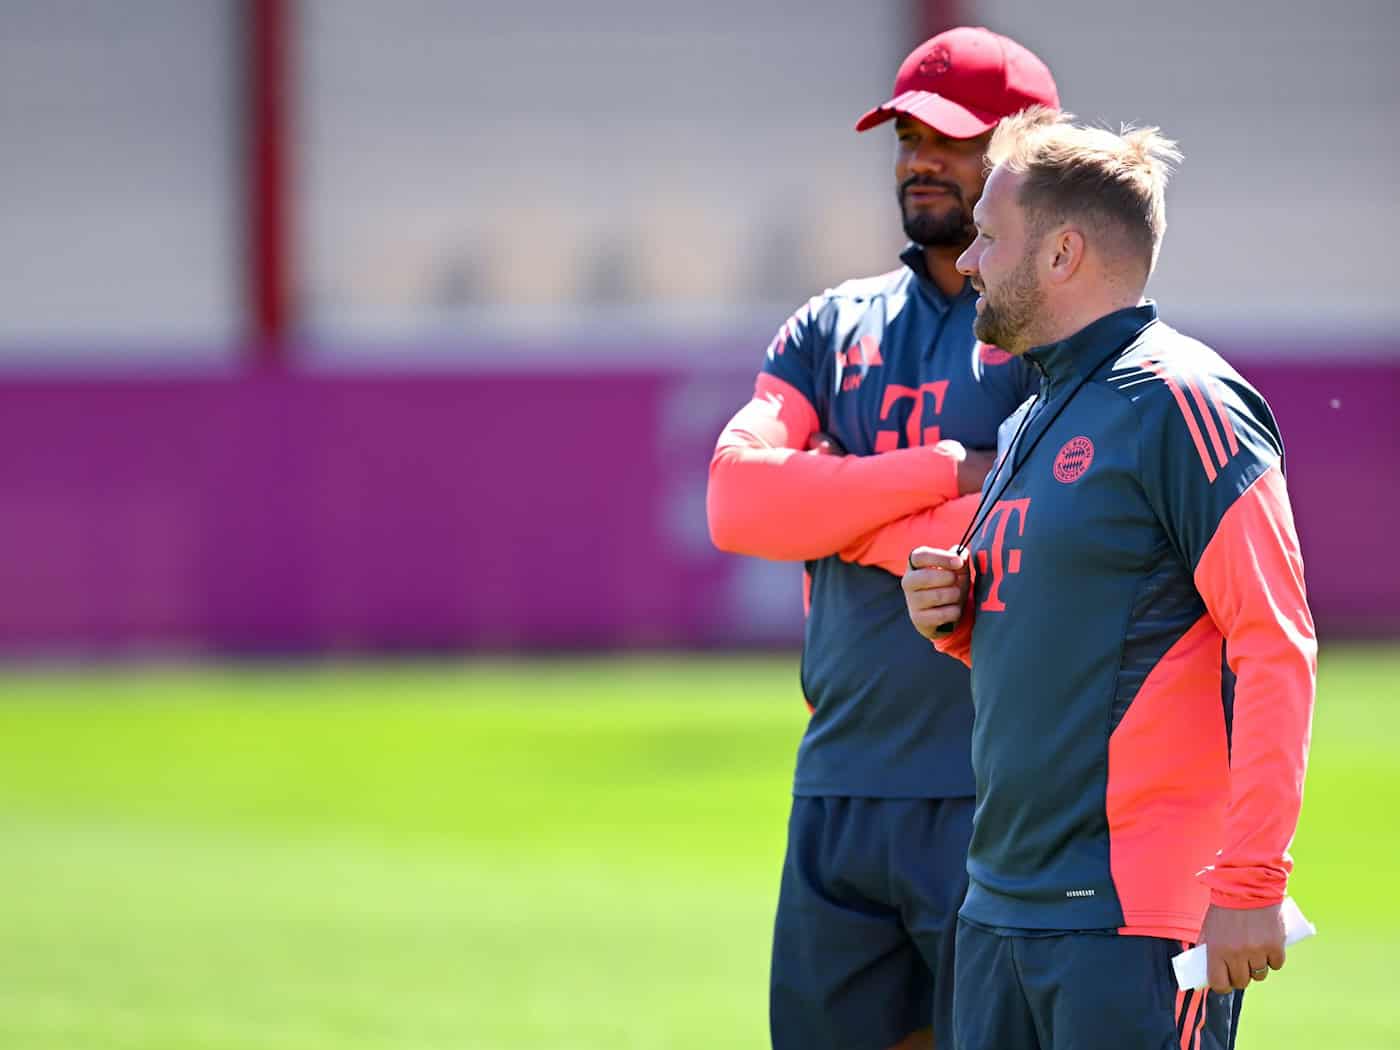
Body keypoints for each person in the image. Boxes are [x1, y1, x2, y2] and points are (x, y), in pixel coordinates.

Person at [901, 109, 1317, 1050]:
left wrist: (1251, 884)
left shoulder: (1184, 403)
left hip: (1130, 924)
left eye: (991, 237)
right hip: (1001, 910)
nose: (967, 260)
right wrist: (957, 614)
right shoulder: (1043, 408)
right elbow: (1082, 628)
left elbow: (1275, 645)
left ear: (1062, 255)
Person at [706, 26, 1060, 1050]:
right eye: (905, 135)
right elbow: (737, 502)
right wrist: (945, 473)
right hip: (837, 788)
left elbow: (1040, 532)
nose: (917, 160)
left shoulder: (1054, 330)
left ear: (1024, 147)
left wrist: (831, 511)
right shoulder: (830, 325)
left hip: (994, 795)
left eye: (948, 138)